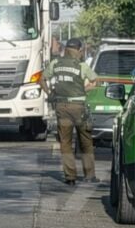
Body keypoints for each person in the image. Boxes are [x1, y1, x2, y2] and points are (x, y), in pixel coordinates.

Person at [41, 37, 98, 186]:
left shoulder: (56, 63)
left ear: (66, 49)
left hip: (62, 107)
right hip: (79, 107)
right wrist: (83, 90)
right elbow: (94, 81)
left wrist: (50, 94)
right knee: (85, 140)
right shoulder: (82, 65)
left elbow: (42, 79)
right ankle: (89, 175)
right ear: (79, 50)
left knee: (65, 142)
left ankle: (70, 177)